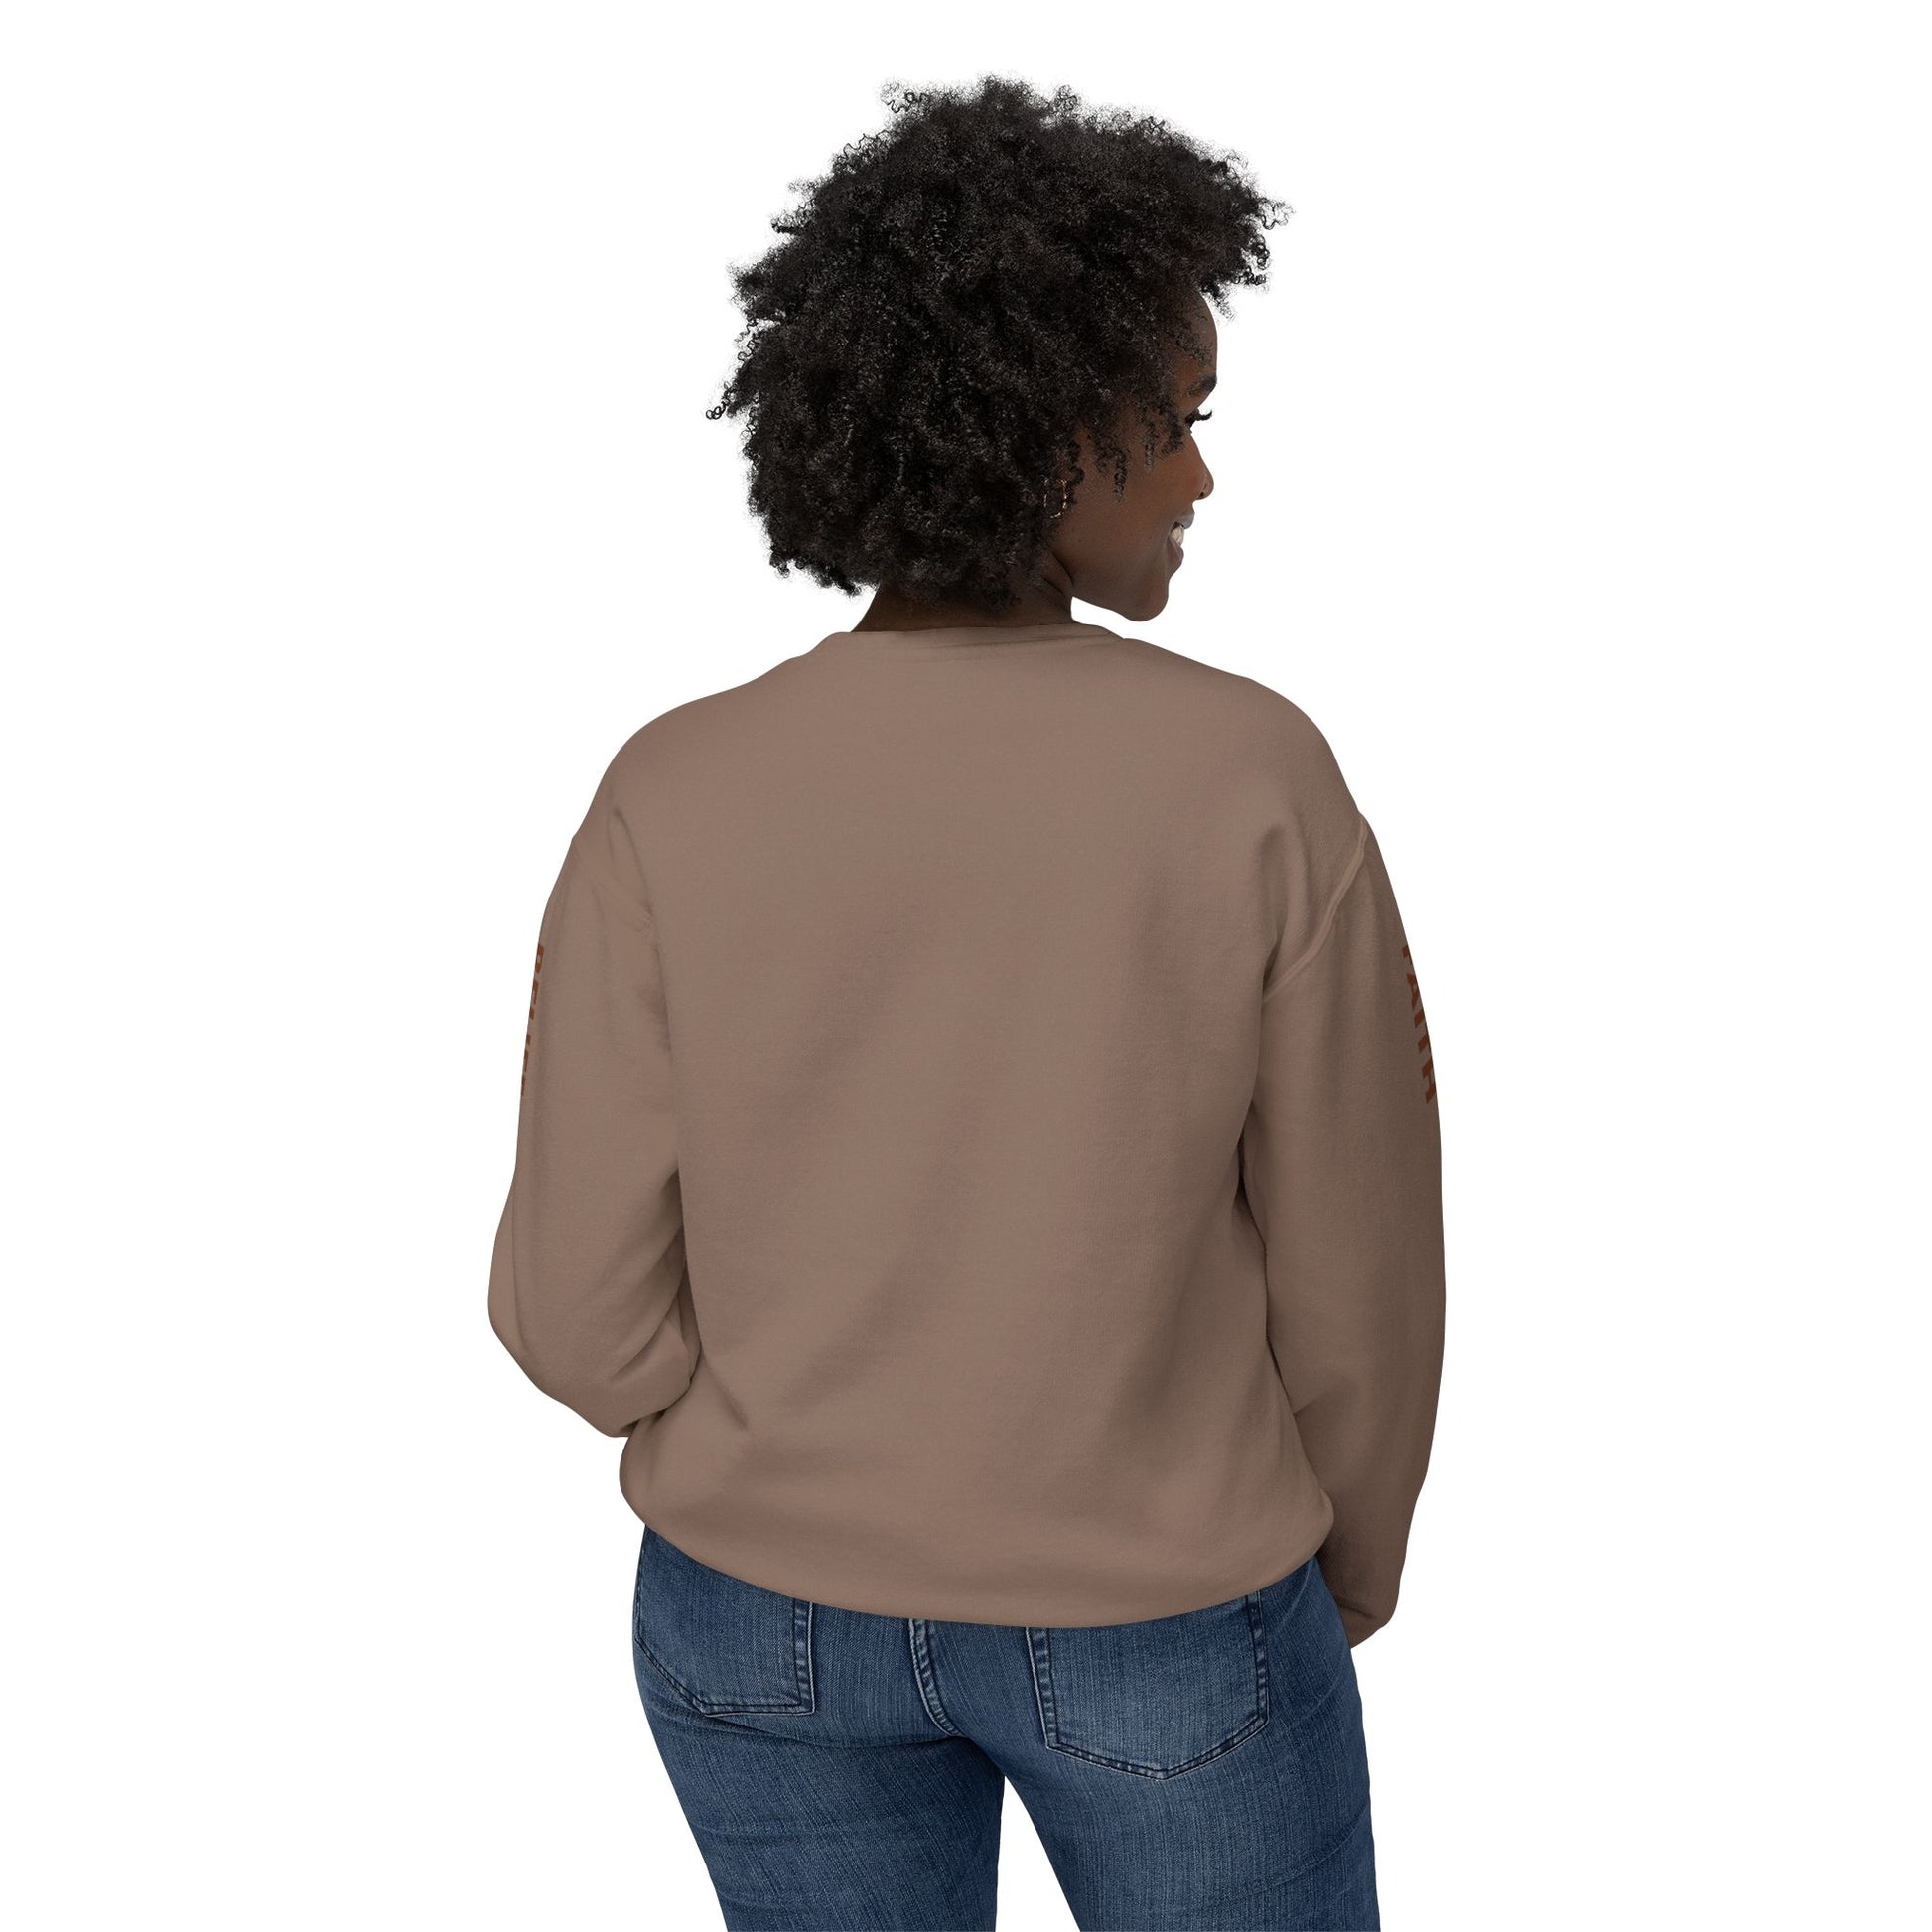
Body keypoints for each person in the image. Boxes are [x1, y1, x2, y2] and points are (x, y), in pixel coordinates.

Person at [488, 75, 1445, 1932]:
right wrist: (1353, 1551)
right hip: (1164, 1613)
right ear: (1045, 433)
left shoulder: (672, 786)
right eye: (1175, 421)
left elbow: (575, 1316)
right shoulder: (1249, 775)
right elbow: (1361, 1256)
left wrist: (796, 1440)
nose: (1200, 476)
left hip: (756, 1622)